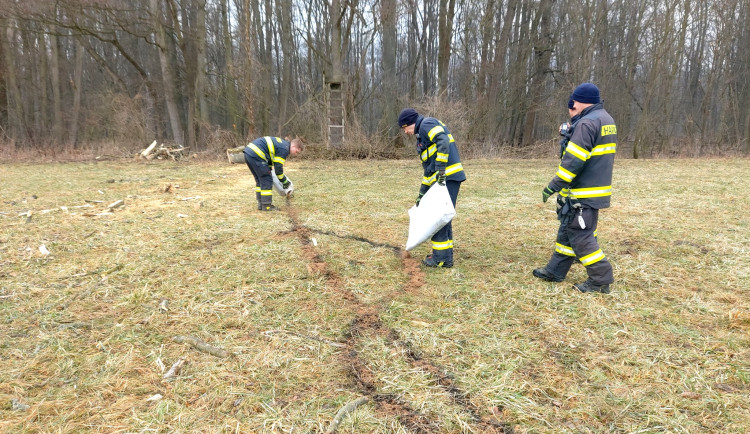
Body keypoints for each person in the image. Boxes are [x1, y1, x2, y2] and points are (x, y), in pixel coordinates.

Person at [533, 83, 617, 293]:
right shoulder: (605, 119)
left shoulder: (587, 123)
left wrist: (553, 186)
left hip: (584, 192)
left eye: (573, 102)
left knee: (581, 235)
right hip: (596, 188)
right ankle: (555, 270)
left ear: (578, 101)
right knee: (568, 229)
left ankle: (600, 279)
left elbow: (573, 161)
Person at [398, 108, 466, 268]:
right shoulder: (422, 138)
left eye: (405, 128)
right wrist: (422, 193)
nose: (406, 132)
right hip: (445, 178)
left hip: (447, 177)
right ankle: (445, 256)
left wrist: (441, 169)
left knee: (438, 216)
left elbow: (443, 141)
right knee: (443, 216)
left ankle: (441, 259)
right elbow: (429, 171)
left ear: (410, 123)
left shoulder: (426, 124)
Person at [243, 136, 302, 211]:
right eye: (296, 151)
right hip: (257, 154)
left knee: (260, 179)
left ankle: (261, 203)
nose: (295, 154)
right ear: (293, 146)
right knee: (266, 179)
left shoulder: (282, 144)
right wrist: (284, 181)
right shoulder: (284, 149)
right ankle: (266, 205)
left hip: (249, 153)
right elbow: (278, 169)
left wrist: (269, 169)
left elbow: (270, 158)